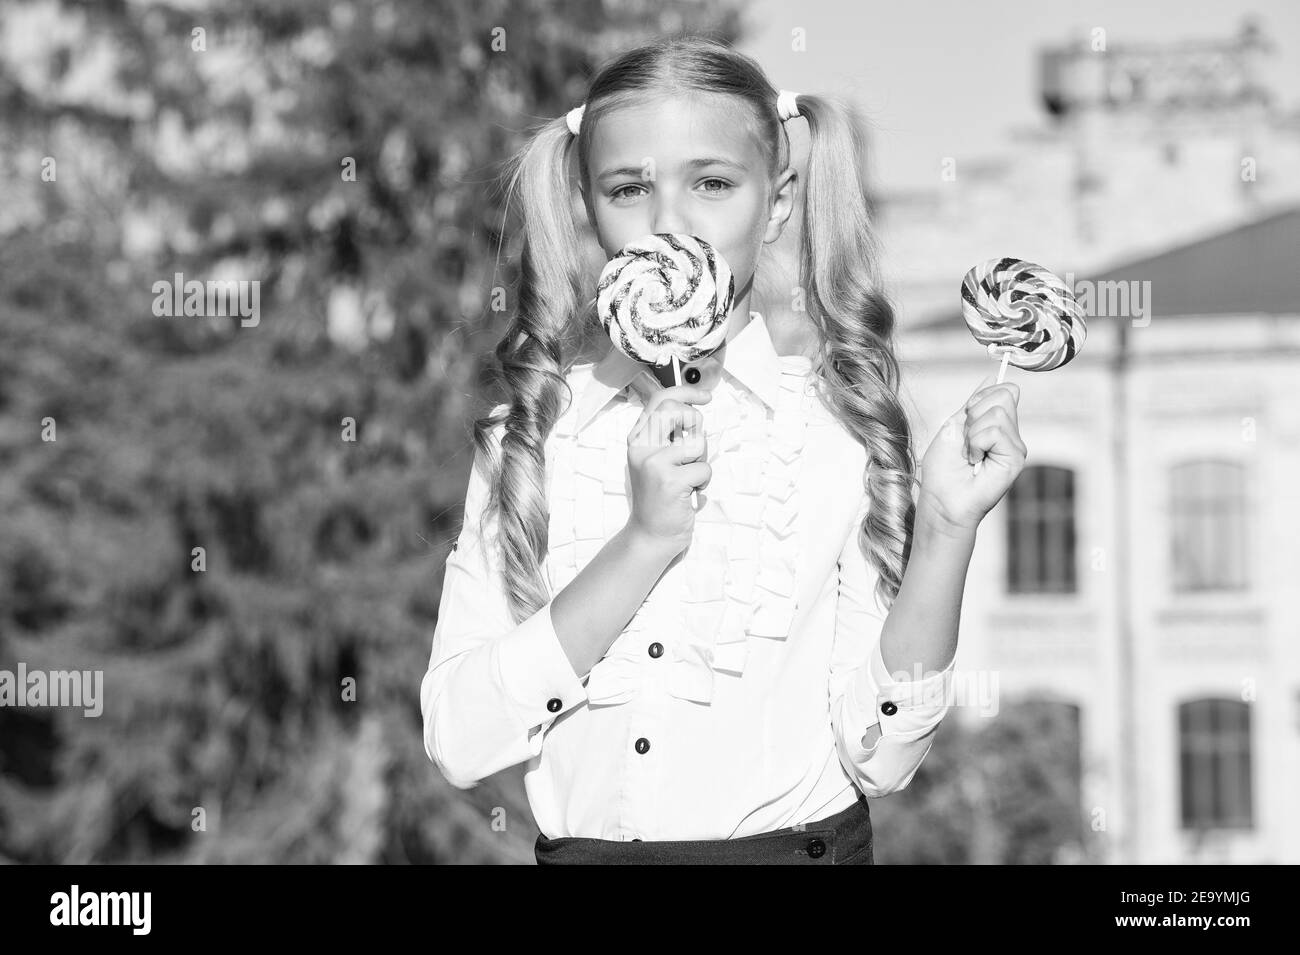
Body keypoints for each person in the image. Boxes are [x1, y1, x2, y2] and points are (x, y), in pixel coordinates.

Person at [420, 35, 1027, 864]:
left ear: (776, 203)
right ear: (584, 204)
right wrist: (641, 545)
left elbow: (880, 758)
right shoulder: (529, 437)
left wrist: (948, 531)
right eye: (628, 188)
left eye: (712, 183)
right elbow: (459, 736)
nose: (669, 221)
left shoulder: (835, 435)